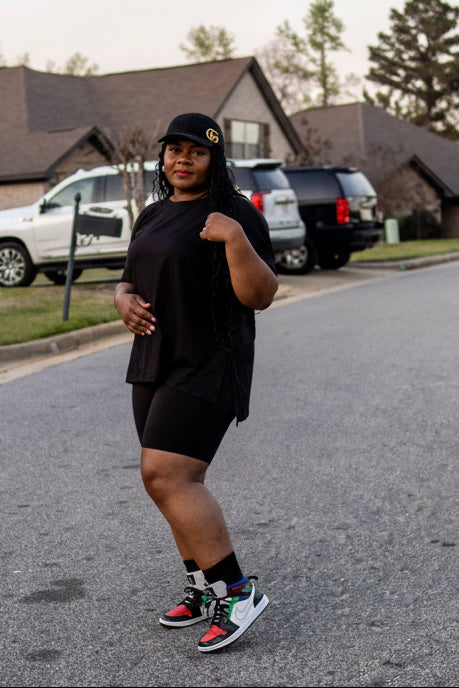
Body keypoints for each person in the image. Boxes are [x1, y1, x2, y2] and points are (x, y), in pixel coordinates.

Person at [114, 112, 278, 653]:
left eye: (196, 151)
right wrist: (121, 298)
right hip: (154, 358)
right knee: (165, 480)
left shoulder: (235, 213)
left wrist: (233, 238)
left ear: (215, 159)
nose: (182, 159)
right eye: (174, 150)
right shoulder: (153, 213)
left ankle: (236, 592)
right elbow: (131, 278)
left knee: (168, 475)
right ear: (163, 157)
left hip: (209, 361)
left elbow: (260, 295)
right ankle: (204, 585)